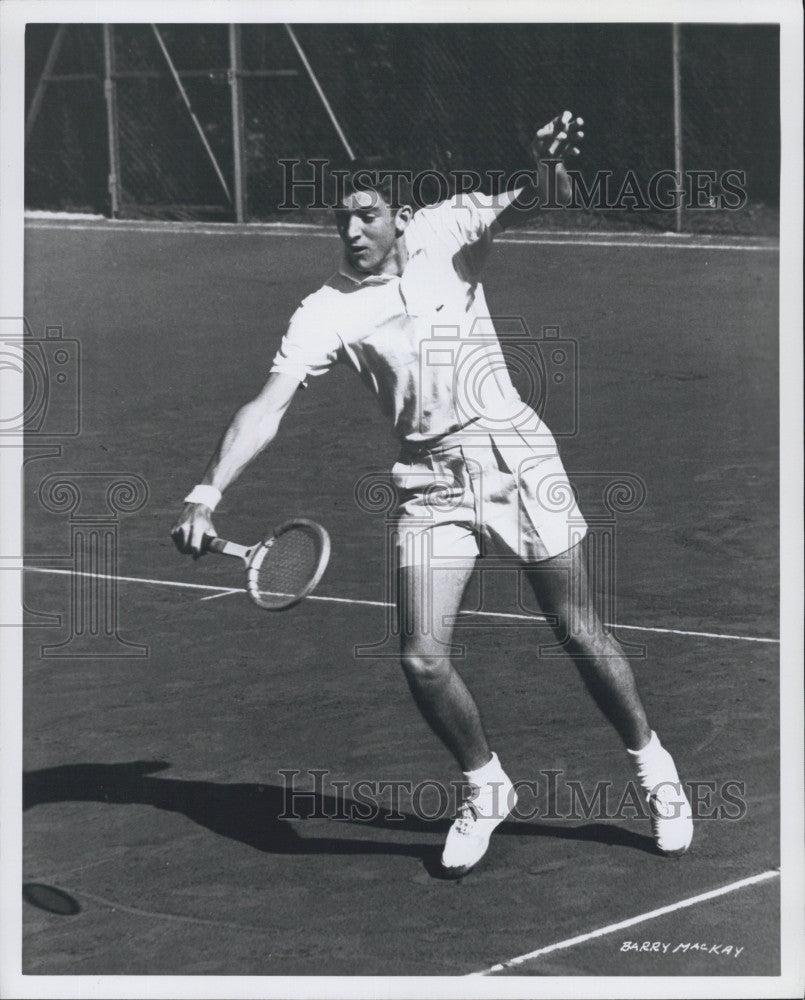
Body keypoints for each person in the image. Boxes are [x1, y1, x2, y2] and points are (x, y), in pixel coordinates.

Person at [171, 112, 693, 877]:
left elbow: (540, 199)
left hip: (514, 454)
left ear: (400, 217)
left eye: (367, 214)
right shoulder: (323, 311)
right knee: (420, 658)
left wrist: (544, 162)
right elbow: (267, 405)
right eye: (341, 217)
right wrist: (206, 490)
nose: (351, 230)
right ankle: (485, 786)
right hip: (428, 480)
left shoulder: (451, 232)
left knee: (577, 628)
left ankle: (654, 771)